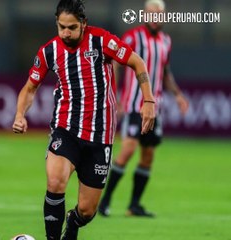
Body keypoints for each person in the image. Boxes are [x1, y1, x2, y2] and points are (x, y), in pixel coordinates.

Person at [12, 0, 156, 239]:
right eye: (61, 27)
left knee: (87, 211)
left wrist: (148, 101)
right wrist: (19, 115)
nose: (66, 33)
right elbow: (29, 88)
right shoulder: (49, 51)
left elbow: (136, 61)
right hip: (65, 128)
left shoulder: (101, 41)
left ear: (83, 24)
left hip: (100, 135)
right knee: (56, 181)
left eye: (72, 27)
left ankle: (74, 221)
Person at [98, 0, 189, 217]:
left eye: (159, 13)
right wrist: (117, 96)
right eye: (152, 13)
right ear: (145, 15)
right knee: (128, 149)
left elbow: (165, 72)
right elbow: (117, 64)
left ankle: (134, 205)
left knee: (147, 155)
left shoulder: (166, 41)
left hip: (154, 108)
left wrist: (177, 95)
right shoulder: (133, 37)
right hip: (133, 105)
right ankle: (104, 202)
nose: (156, 17)